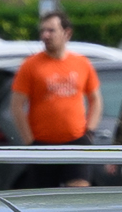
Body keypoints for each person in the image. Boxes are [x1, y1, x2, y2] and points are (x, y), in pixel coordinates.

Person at [10, 9, 102, 144]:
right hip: (42, 144)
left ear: (67, 33)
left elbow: (96, 100)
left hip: (76, 142)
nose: (45, 35)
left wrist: (90, 131)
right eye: (42, 31)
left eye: (51, 30)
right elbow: (16, 106)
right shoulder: (30, 65)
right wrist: (29, 141)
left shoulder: (82, 63)